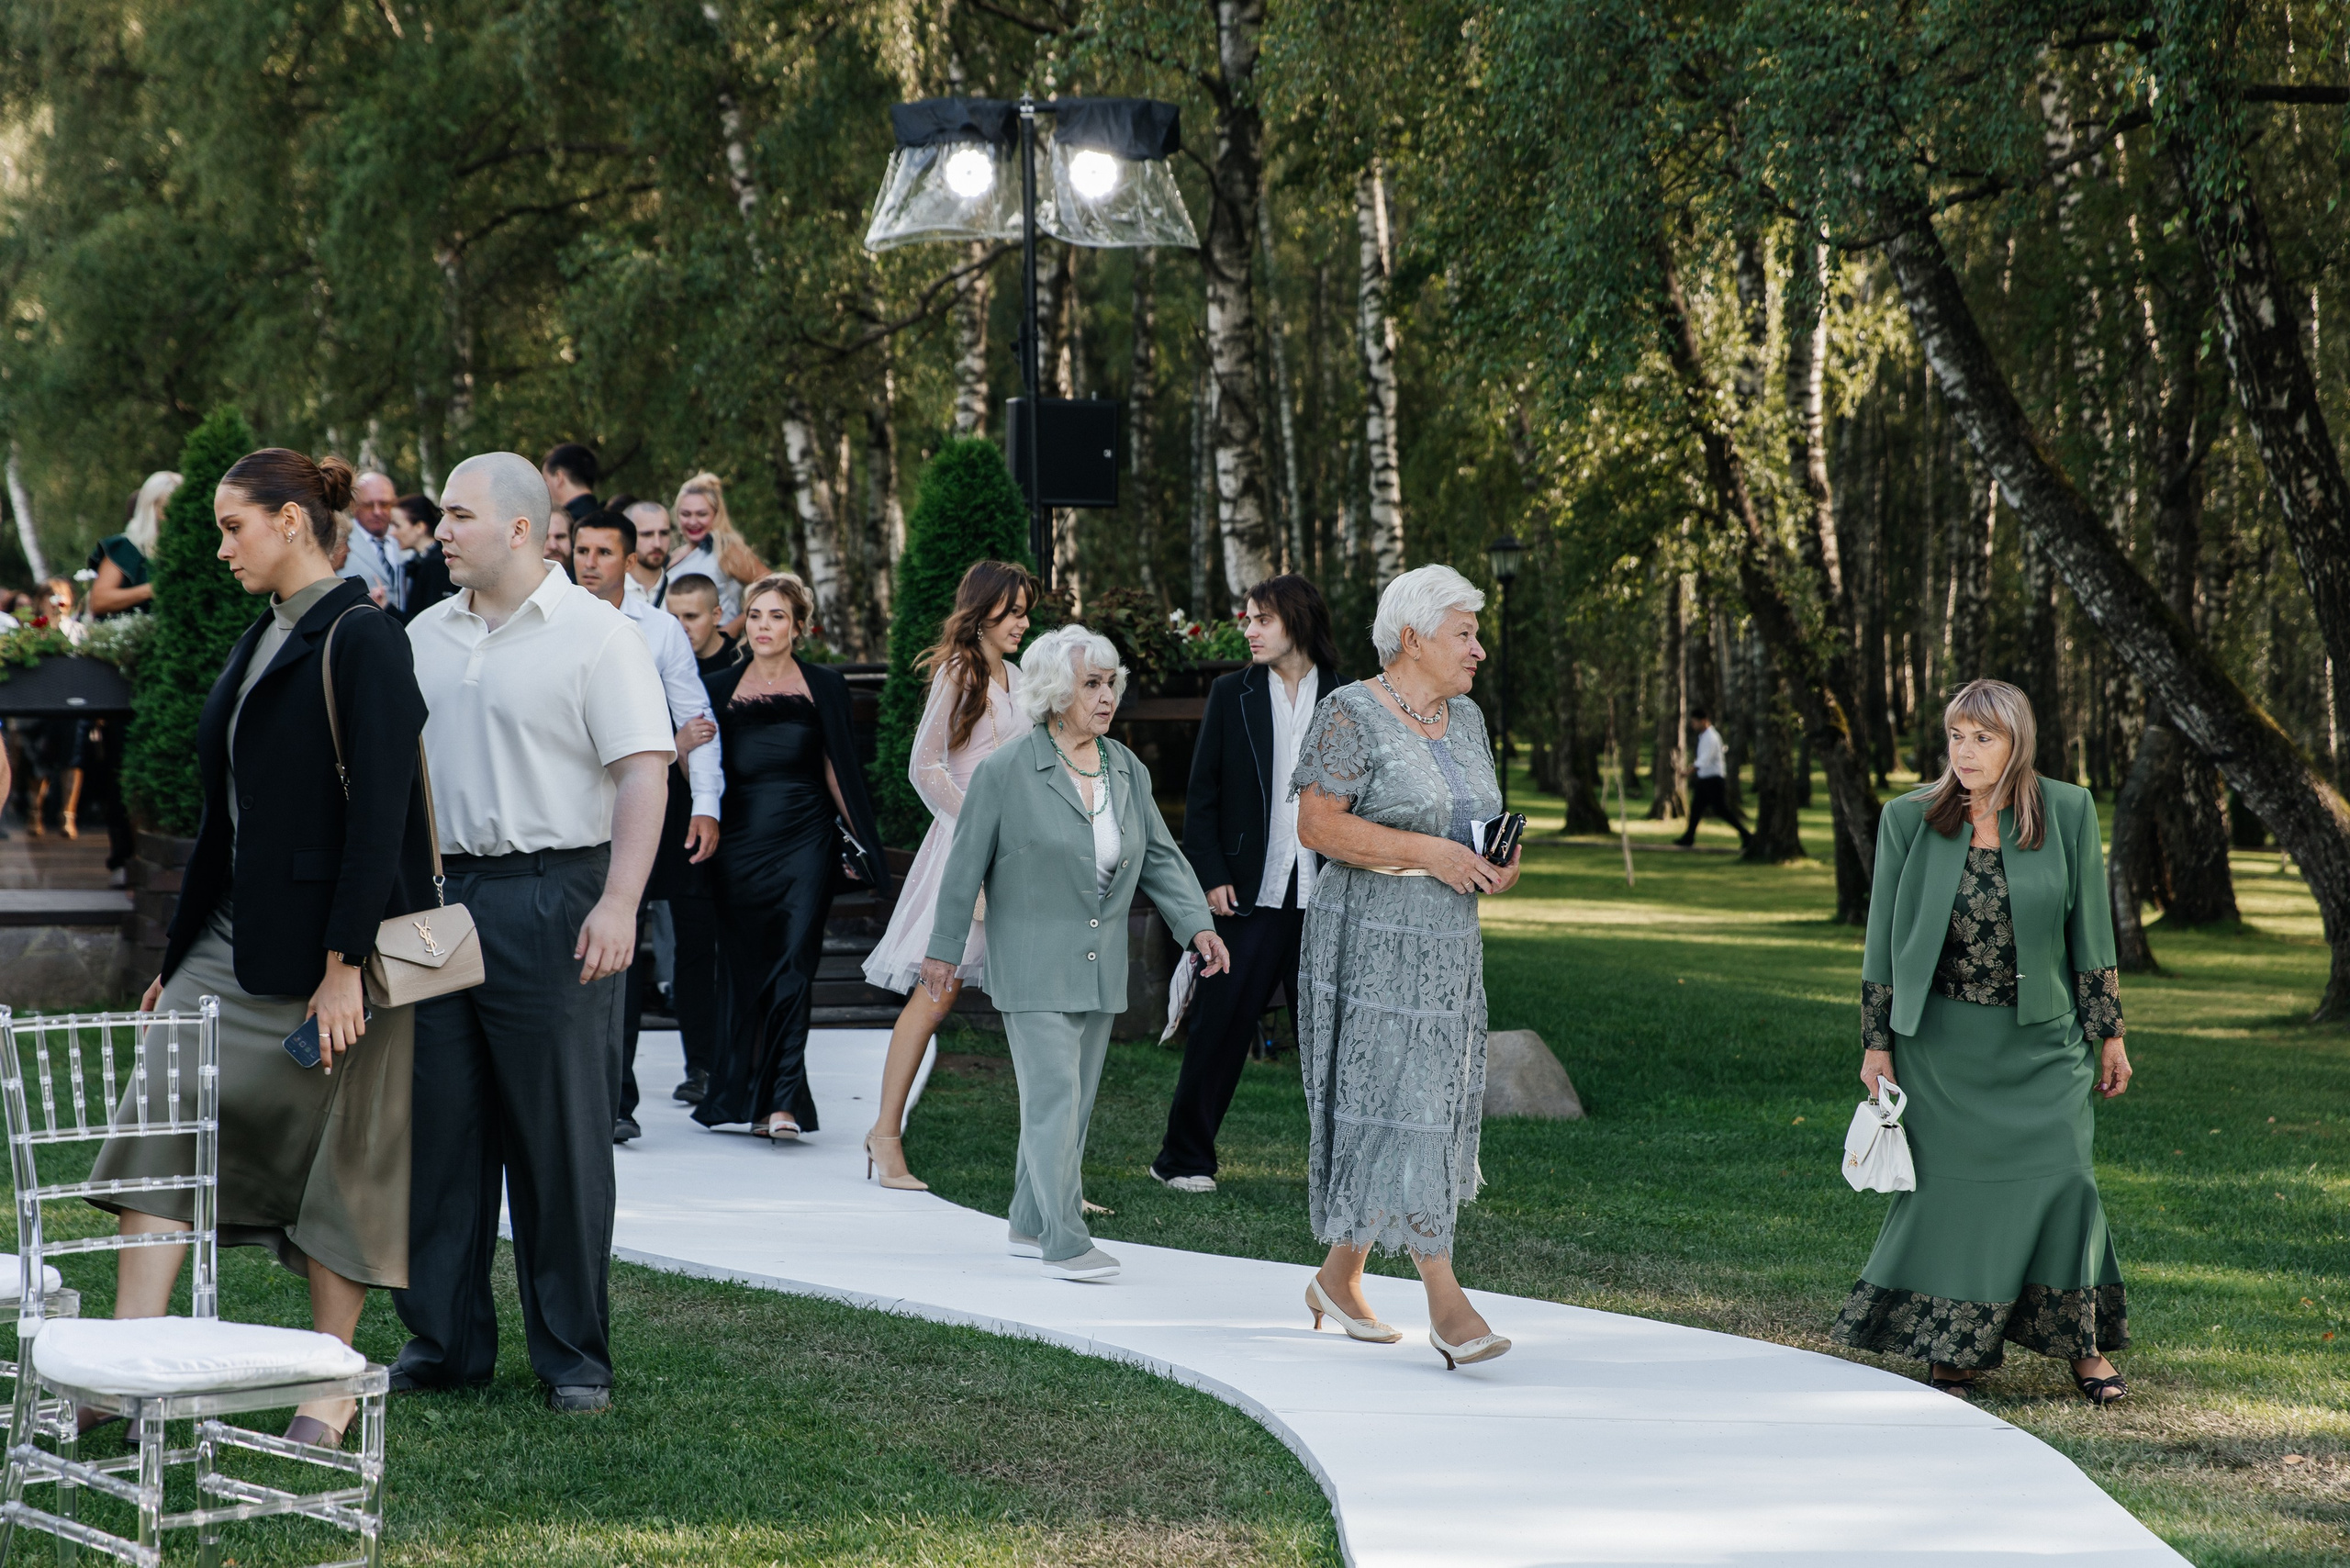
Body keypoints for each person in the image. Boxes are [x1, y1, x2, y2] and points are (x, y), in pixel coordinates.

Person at [89, 447, 432, 1450]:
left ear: (291, 521)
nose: (220, 547)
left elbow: (382, 814)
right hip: (227, 942)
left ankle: (328, 1390)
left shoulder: (366, 636)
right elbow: (225, 819)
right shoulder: (260, 632)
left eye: (234, 527)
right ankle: (122, 1364)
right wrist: (174, 955)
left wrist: (341, 967)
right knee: (158, 1115)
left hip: (340, 953)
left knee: (345, 1161)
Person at [393, 451, 674, 1416]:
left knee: (557, 1136)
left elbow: (644, 772)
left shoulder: (601, 636)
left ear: (520, 527)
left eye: (460, 516)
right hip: (436, 902)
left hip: (558, 895)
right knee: (438, 1132)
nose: (443, 532)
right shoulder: (421, 634)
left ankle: (573, 1359)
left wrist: (620, 901)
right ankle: (444, 1341)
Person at [1830, 678, 2135, 1406]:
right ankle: (1951, 1344)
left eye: (1983, 738)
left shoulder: (2067, 810)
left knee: (2069, 1180)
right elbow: (1882, 939)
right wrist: (1877, 1044)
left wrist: (2110, 1036)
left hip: (2044, 1046)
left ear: (2016, 742)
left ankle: (2083, 1348)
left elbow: (2091, 930)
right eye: (1956, 736)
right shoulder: (1911, 817)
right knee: (1951, 1194)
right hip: (1940, 1045)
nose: (1965, 752)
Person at [922, 626, 1229, 1281]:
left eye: (1111, 682)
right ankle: (1064, 1239)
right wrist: (943, 952)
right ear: (1057, 693)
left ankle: (1027, 1221)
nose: (1107, 695)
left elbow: (1165, 859)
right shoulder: (1009, 770)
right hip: (1031, 963)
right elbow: (963, 865)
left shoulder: (1125, 767)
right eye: (1092, 683)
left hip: (1097, 967)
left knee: (1073, 1104)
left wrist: (1197, 926)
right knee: (1055, 1099)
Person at [1292, 564, 1521, 1368]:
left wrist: (1495, 862)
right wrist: (1429, 852)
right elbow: (1317, 828)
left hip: (1450, 952)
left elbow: (1480, 824)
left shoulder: (1466, 720)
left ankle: (1337, 1278)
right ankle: (1444, 1300)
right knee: (1402, 1099)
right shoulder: (1349, 712)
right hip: (1371, 945)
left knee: (1420, 1099)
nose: (1479, 650)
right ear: (1412, 637)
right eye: (1465, 633)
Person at [1153, 575, 1345, 1194]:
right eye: (1248, 619)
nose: (1250, 630)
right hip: (1246, 895)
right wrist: (1210, 876)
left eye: (1262, 619)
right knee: (1220, 1027)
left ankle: (1343, 1171)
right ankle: (1182, 1159)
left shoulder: (1351, 698)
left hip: (1326, 896)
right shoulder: (1229, 693)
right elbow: (1201, 797)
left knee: (1335, 1040)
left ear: (1297, 621)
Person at [859, 560, 1035, 1189]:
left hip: (1016, 855)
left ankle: (1048, 1166)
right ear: (982, 609)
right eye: (1012, 610)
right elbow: (925, 768)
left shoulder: (1016, 675)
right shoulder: (959, 671)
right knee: (937, 993)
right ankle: (884, 1136)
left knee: (1031, 1003)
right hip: (964, 847)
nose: (1021, 621)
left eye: (1024, 611)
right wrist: (980, 824)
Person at [693, 574, 885, 1138]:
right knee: (747, 968)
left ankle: (782, 1104)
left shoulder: (824, 684)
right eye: (755, 615)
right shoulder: (717, 684)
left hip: (806, 840)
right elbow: (700, 770)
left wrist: (862, 843)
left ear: (799, 627)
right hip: (738, 844)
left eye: (776, 616)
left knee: (794, 967)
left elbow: (837, 768)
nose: (763, 627)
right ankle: (751, 1098)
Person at [572, 510, 722, 1142]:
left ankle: (615, 1100)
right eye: (582, 549)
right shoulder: (543, 618)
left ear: (629, 561)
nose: (589, 561)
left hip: (636, 811)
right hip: (561, 810)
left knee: (620, 954)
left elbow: (700, 718)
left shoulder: (659, 630)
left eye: (604, 551)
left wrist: (707, 803)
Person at [662, 573, 738, 1103]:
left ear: (716, 615)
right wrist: (678, 747)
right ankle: (701, 1067)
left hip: (740, 822)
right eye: (674, 615)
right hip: (678, 824)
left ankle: (734, 1063)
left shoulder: (739, 668)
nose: (681, 626)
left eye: (691, 616)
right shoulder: (658, 659)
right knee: (691, 948)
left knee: (730, 948)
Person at [667, 473, 767, 630]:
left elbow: (772, 584)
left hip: (718, 648)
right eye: (686, 514)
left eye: (702, 514)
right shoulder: (675, 555)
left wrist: (734, 628)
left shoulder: (726, 550)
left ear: (716, 515)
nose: (693, 521)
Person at [86, 470, 176, 619]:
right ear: (152, 508)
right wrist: (151, 590)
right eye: (168, 508)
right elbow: (99, 601)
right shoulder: (125, 547)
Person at [1673, 708, 1751, 850]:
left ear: (1703, 721)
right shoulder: (1704, 737)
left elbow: (1704, 760)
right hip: (1705, 779)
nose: (1693, 725)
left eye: (1695, 722)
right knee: (1696, 808)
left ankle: (1747, 835)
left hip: (1713, 780)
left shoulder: (1711, 738)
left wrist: (1688, 772)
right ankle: (1689, 837)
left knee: (1721, 810)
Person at [341, 471, 410, 611]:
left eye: (384, 504)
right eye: (368, 505)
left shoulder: (410, 537)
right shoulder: (340, 541)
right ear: (353, 505)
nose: (377, 512)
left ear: (395, 503)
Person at [390, 494, 455, 622]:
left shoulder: (437, 564)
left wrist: (387, 608)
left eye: (397, 526)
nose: (392, 532)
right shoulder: (421, 561)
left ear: (419, 527)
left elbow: (429, 622)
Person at [623, 498, 675, 605]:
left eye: (664, 533)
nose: (657, 543)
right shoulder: (610, 591)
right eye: (647, 534)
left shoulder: (681, 591)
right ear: (627, 537)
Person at [543, 442, 601, 527]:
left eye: (546, 480)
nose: (544, 487)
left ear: (559, 477)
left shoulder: (565, 526)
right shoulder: (607, 519)